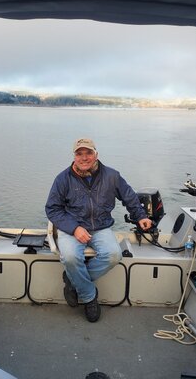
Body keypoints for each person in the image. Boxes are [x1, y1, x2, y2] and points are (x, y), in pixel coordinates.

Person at [45, 138, 152, 322]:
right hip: (72, 228)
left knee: (113, 255)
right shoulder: (63, 179)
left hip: (101, 226)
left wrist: (141, 215)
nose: (84, 158)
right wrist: (74, 228)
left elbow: (130, 197)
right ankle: (89, 297)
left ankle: (73, 280)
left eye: (88, 153)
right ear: (74, 156)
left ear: (96, 155)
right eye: (80, 154)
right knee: (70, 257)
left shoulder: (111, 176)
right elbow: (52, 209)